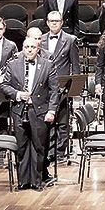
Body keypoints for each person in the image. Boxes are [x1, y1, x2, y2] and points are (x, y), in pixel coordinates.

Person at [0, 33, 60, 191]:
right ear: (22, 48)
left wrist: (52, 111)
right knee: (21, 146)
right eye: (27, 47)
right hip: (20, 110)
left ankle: (36, 181)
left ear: (38, 48)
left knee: (39, 147)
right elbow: (5, 85)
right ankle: (23, 181)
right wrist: (18, 95)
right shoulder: (13, 64)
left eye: (33, 47)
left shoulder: (48, 65)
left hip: (39, 111)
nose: (29, 50)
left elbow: (54, 91)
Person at [42, 11, 80, 163]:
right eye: (51, 21)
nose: (54, 23)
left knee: (63, 122)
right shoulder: (42, 39)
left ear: (62, 22)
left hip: (62, 87)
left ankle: (60, 153)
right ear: (47, 22)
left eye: (57, 21)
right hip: (45, 87)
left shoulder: (70, 40)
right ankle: (49, 152)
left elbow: (75, 67)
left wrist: (74, 92)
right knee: (48, 120)